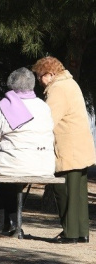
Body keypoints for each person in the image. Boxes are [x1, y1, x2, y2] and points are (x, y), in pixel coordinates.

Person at [32, 56, 96, 244]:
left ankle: (70, 233)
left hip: (68, 148)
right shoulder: (70, 83)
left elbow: (49, 119)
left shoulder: (58, 89)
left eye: (39, 76)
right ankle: (81, 232)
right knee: (78, 193)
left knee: (64, 190)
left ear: (49, 73)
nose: (39, 81)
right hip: (79, 147)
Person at [0, 67, 55, 236]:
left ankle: (7, 221)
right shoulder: (43, 106)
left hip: (14, 163)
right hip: (44, 164)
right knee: (8, 180)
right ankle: (13, 224)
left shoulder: (2, 107)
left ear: (10, 85)